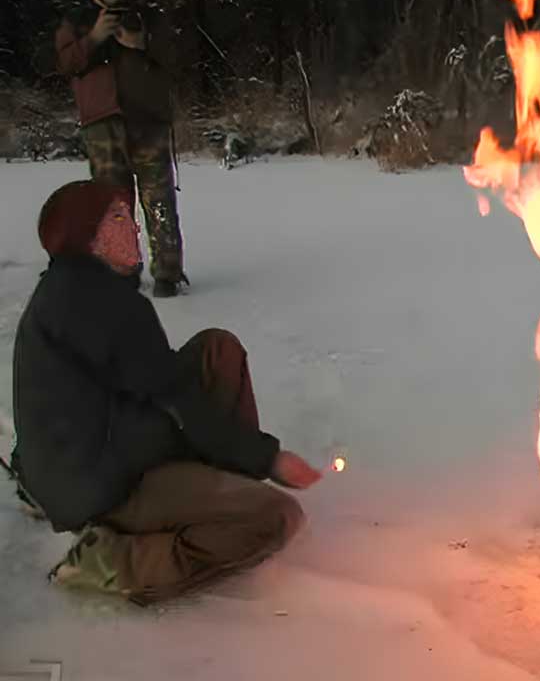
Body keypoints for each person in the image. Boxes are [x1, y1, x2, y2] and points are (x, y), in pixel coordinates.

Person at [9, 180, 323, 605]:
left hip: (93, 456)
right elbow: (177, 398)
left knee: (217, 350)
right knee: (274, 516)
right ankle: (114, 560)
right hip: (107, 487)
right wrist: (269, 458)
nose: (135, 229)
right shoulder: (99, 302)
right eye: (118, 218)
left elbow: (150, 381)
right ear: (86, 234)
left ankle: (220, 484)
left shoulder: (71, 290)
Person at [55, 0, 187, 297]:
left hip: (148, 120)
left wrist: (141, 44)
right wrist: (95, 37)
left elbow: (178, 58)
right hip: (101, 124)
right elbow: (62, 64)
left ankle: (168, 274)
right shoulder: (77, 22)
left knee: (159, 198)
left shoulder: (146, 16)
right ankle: (121, 270)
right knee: (112, 203)